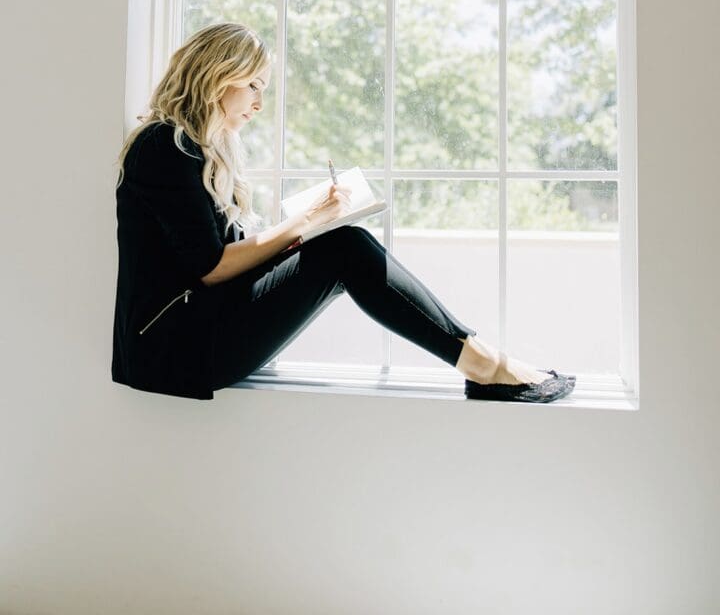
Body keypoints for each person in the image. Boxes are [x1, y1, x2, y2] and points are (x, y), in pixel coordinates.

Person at [112, 22, 575, 404]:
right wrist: (307, 221)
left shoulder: (202, 149)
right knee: (343, 247)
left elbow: (222, 257)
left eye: (263, 89)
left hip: (198, 330)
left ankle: (484, 362)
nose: (258, 101)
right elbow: (211, 268)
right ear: (216, 75)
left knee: (340, 243)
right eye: (253, 85)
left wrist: (308, 226)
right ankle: (484, 365)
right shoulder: (162, 146)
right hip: (172, 348)